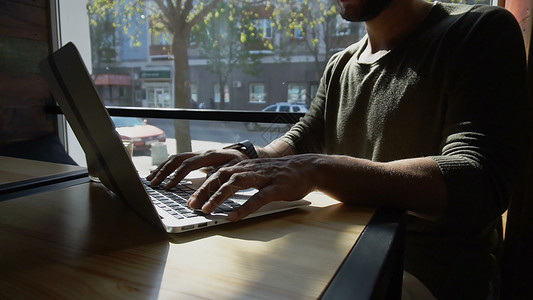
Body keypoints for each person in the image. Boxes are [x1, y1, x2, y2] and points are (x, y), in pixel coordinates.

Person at [147, 0, 530, 298]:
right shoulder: (341, 64)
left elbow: (478, 179)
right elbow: (304, 138)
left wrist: (321, 169)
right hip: (342, 256)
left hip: (428, 277)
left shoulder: (478, 31)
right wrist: (249, 157)